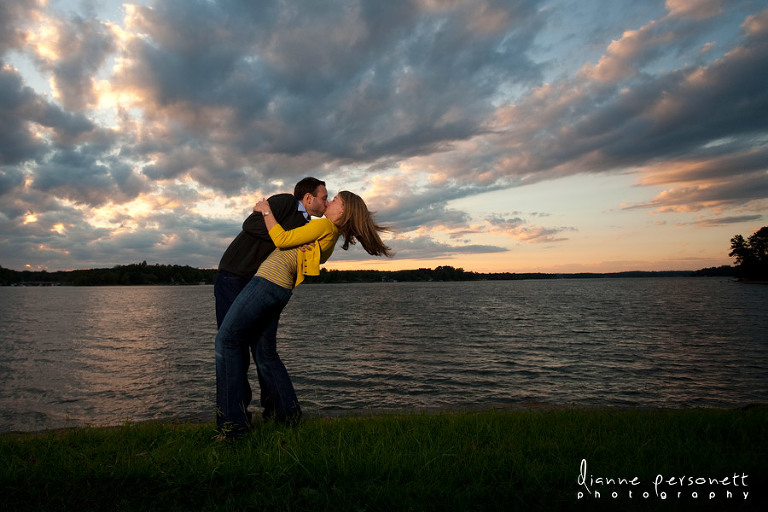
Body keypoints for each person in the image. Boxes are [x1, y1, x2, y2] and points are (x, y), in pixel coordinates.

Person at [215, 191, 392, 437]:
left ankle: (232, 427)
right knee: (264, 351)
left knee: (226, 340)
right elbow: (299, 254)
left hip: (267, 283)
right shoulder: (328, 233)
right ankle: (287, 417)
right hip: (279, 288)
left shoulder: (324, 226)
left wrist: (266, 209)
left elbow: (281, 238)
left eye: (336, 201)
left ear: (344, 211)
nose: (329, 202)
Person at [214, 178, 327, 422]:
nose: (326, 203)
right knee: (233, 347)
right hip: (236, 274)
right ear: (308, 198)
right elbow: (251, 224)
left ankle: (284, 415)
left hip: (263, 283)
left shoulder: (309, 226)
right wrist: (284, 237)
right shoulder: (285, 201)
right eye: (323, 197)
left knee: (265, 350)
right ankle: (235, 421)